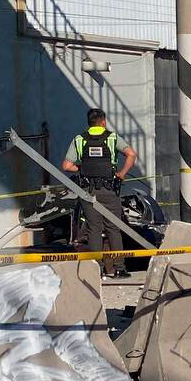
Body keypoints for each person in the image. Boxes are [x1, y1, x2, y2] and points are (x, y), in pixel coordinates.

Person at [62, 108, 137, 279]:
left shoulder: (79, 139)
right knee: (113, 229)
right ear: (103, 121)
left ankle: (97, 270)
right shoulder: (112, 137)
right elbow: (131, 154)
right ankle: (119, 268)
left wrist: (83, 168)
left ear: (89, 123)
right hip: (109, 190)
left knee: (93, 230)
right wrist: (122, 173)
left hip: (89, 192)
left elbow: (66, 166)